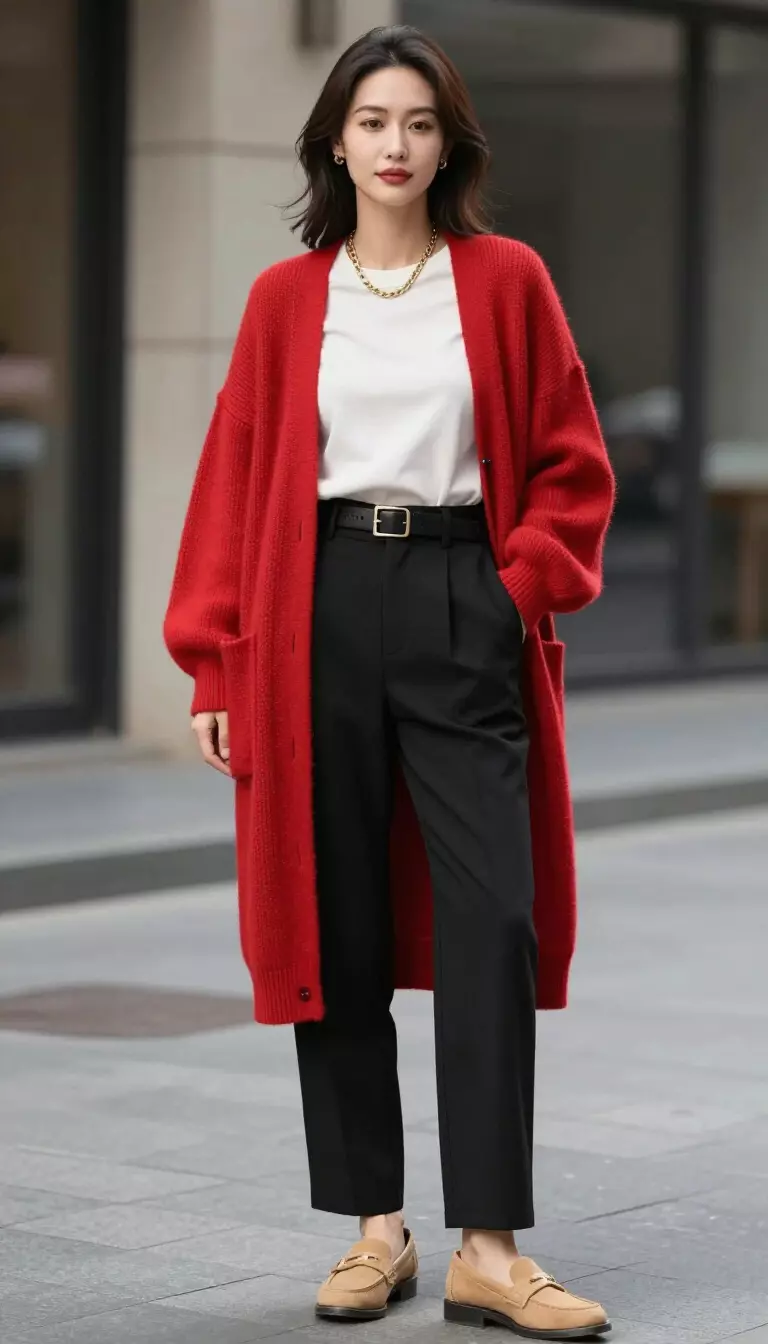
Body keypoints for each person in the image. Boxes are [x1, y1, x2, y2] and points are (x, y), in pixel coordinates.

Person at [163, 23, 615, 1340]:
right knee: (336, 918)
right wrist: (215, 652)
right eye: (374, 123)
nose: (397, 145)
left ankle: (489, 1242)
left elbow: (575, 461)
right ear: (336, 142)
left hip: (465, 595)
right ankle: (374, 1230)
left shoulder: (508, 278)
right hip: (316, 607)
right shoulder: (283, 300)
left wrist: (515, 589)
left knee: (493, 918)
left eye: (419, 122)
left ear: (448, 140)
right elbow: (236, 477)